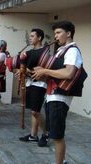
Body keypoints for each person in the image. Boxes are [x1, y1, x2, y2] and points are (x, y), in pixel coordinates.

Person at [32, 21, 83, 164]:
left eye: (58, 33)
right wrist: (36, 72)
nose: (55, 36)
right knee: (54, 133)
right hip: (52, 95)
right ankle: (62, 161)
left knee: (57, 135)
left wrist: (45, 71)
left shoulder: (72, 50)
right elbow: (56, 73)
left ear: (69, 33)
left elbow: (69, 73)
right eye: (54, 33)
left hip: (60, 97)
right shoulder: (61, 50)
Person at [18, 29, 48, 147]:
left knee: (35, 111)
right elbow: (23, 67)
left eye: (32, 36)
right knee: (33, 111)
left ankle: (45, 134)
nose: (30, 38)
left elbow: (44, 69)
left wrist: (28, 70)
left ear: (39, 38)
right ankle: (33, 136)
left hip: (40, 84)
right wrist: (20, 64)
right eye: (29, 36)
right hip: (30, 83)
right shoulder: (29, 52)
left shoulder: (45, 52)